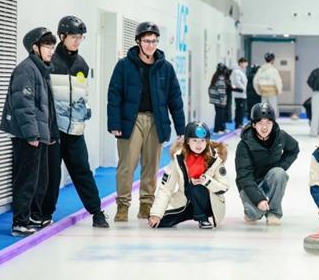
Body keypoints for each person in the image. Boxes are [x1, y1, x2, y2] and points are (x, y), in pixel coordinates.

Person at [107, 21, 185, 222]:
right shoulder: (124, 66)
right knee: (127, 165)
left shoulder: (165, 68)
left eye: (154, 41)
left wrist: (181, 129)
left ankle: (146, 205)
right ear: (138, 42)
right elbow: (114, 95)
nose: (151, 45)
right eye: (147, 41)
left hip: (156, 120)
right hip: (131, 120)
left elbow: (175, 100)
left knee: (151, 165)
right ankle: (123, 205)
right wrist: (114, 124)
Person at [41, 16, 108, 228]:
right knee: (52, 175)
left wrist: (83, 112)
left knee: (83, 172)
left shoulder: (82, 65)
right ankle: (45, 214)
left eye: (80, 38)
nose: (77, 41)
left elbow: (82, 95)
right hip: (54, 131)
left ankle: (97, 212)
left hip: (75, 130)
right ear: (62, 37)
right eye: (73, 37)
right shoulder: (50, 63)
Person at [0, 28, 58, 236]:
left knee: (40, 179)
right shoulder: (26, 70)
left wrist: (50, 133)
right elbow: (23, 105)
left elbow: (47, 106)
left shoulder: (41, 69)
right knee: (26, 179)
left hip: (40, 134)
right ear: (35, 48)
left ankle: (34, 215)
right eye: (47, 46)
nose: (51, 50)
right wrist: (31, 134)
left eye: (53, 46)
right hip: (28, 136)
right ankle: (20, 221)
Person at [148, 122, 228, 229]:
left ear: (207, 141)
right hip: (185, 201)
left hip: (209, 204)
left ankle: (202, 218)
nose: (199, 145)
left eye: (202, 140)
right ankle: (191, 213)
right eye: (194, 140)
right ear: (187, 141)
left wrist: (206, 181)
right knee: (159, 221)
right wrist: (156, 213)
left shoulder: (215, 158)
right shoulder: (178, 159)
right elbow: (166, 189)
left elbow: (224, 187)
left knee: (196, 185)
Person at [235, 103, 299, 225]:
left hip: (269, 178)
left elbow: (293, 149)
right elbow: (244, 176)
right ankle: (251, 211)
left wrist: (281, 167)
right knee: (255, 214)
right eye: (260, 123)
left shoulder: (280, 136)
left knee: (279, 173)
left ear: (273, 123)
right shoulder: (244, 144)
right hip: (251, 183)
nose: (264, 127)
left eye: (268, 123)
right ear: (254, 125)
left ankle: (273, 213)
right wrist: (258, 199)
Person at [208, 63, 228, 133]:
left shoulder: (215, 76)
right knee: (220, 115)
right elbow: (221, 90)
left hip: (215, 100)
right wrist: (222, 100)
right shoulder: (220, 78)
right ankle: (217, 130)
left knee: (219, 115)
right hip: (219, 100)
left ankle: (221, 128)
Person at [231, 57, 249, 129]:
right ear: (241, 63)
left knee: (241, 110)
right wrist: (243, 88)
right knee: (239, 109)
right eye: (245, 63)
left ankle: (240, 123)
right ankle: (238, 124)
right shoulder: (237, 71)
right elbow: (237, 81)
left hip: (242, 94)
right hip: (239, 94)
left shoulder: (241, 71)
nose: (246, 64)